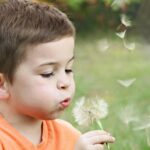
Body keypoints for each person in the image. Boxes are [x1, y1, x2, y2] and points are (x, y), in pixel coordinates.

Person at [0, 0, 115, 149]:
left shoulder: (68, 136)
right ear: (2, 85)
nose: (65, 83)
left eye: (68, 69)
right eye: (48, 74)